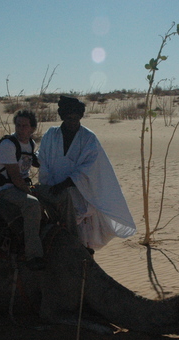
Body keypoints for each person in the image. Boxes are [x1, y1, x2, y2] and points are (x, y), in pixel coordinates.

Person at [37, 95, 136, 251]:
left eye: (76, 118)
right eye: (69, 118)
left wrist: (65, 185)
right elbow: (42, 158)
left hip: (80, 193)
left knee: (81, 235)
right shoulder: (51, 135)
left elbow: (89, 167)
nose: (73, 122)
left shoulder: (88, 138)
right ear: (62, 117)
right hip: (53, 190)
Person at [0, 110, 45, 270]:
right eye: (18, 125)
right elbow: (15, 177)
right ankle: (33, 255)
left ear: (32, 128)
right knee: (32, 204)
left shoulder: (30, 144)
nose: (21, 129)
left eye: (25, 126)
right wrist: (30, 192)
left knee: (58, 195)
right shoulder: (8, 145)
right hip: (5, 190)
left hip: (21, 187)